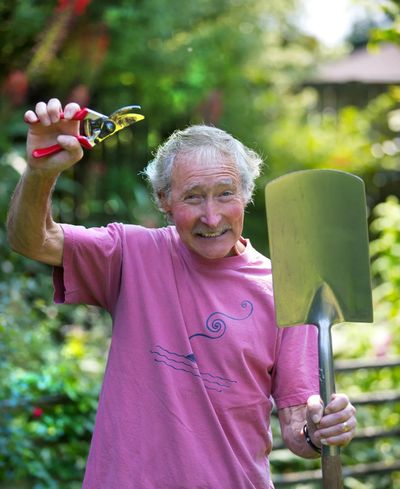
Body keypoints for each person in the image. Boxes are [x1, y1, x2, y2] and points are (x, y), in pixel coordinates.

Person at [7, 99, 357, 489]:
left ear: (246, 195)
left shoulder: (285, 288)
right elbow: (31, 239)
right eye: (193, 197)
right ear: (164, 201)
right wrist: (40, 172)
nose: (212, 216)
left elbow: (296, 425)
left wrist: (318, 430)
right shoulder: (129, 254)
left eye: (226, 193)